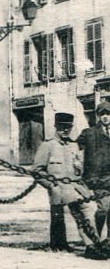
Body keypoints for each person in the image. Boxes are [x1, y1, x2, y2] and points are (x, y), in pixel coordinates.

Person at [32, 112, 105, 259]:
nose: (65, 130)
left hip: (77, 185)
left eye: (68, 127)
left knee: (93, 209)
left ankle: (95, 244)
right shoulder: (48, 146)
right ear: (56, 127)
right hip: (60, 186)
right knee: (83, 212)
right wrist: (51, 185)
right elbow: (37, 170)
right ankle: (91, 246)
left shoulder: (73, 145)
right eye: (61, 127)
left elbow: (80, 167)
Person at [77, 101, 110, 246]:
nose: (105, 117)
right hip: (99, 179)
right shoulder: (89, 133)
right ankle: (96, 237)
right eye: (102, 114)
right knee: (103, 208)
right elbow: (75, 147)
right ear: (97, 116)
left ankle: (108, 241)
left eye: (108, 114)